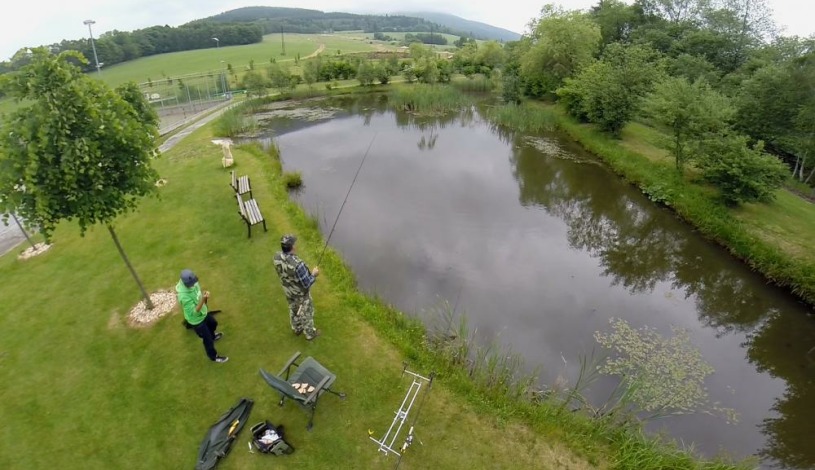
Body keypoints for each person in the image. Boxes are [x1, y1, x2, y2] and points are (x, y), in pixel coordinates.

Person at [273, 234, 320, 340]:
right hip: (300, 294)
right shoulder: (298, 265)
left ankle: (297, 328)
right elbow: (307, 283)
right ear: (292, 247)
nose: (296, 245)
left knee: (293, 309)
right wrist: (314, 274)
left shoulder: (276, 257)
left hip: (288, 291)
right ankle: (310, 334)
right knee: (307, 312)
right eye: (294, 243)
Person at [176, 269, 228, 363]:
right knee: (207, 340)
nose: (194, 284)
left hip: (203, 313)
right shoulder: (183, 297)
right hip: (196, 320)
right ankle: (214, 357)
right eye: (191, 283)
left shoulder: (193, 283)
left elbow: (198, 294)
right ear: (186, 284)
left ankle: (213, 336)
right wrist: (203, 300)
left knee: (213, 323)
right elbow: (195, 312)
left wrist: (204, 296)